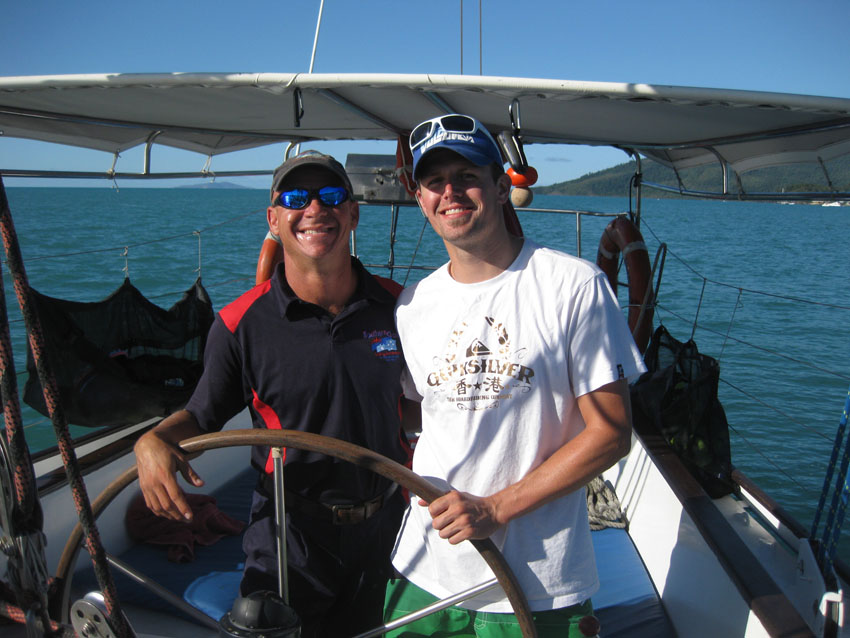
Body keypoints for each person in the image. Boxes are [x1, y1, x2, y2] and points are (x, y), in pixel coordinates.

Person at [383, 115, 646, 637]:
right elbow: (428, 412)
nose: (450, 192)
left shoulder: (573, 286)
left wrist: (495, 508)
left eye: (467, 176)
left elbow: (612, 434)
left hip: (539, 582)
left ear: (502, 187)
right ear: (420, 199)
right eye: (435, 181)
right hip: (426, 571)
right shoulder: (412, 306)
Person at [134, 150, 410, 637]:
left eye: (331, 196)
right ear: (274, 219)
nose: (315, 209)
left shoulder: (400, 307)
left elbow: (432, 405)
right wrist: (152, 441)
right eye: (296, 198)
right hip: (288, 535)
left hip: (388, 526)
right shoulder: (240, 324)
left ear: (352, 213)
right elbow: (200, 416)